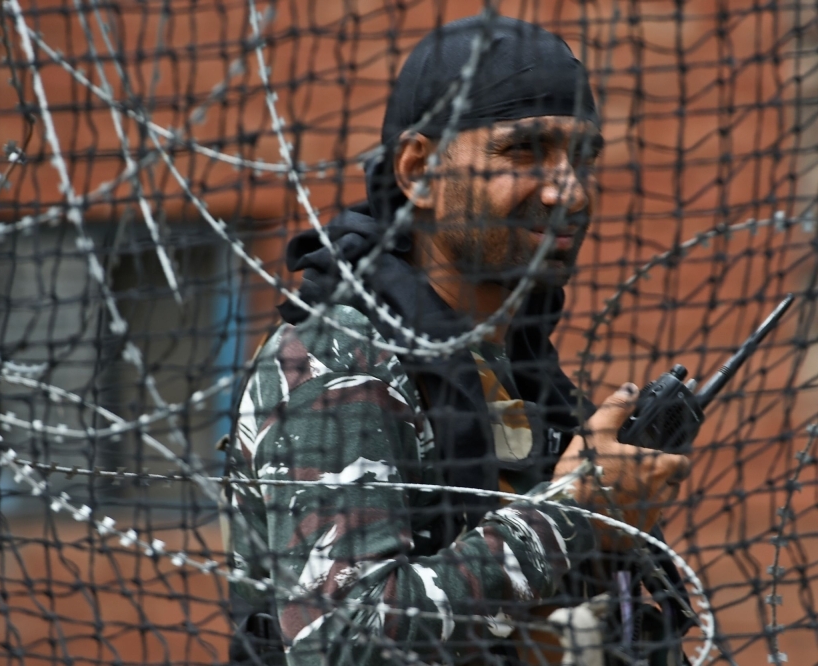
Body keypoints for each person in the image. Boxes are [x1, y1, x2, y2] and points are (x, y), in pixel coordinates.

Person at [222, 15, 691, 666]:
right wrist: (574, 512)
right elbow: (345, 645)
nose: (570, 190)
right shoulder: (339, 361)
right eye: (524, 151)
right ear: (420, 170)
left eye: (583, 157)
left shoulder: (531, 380)